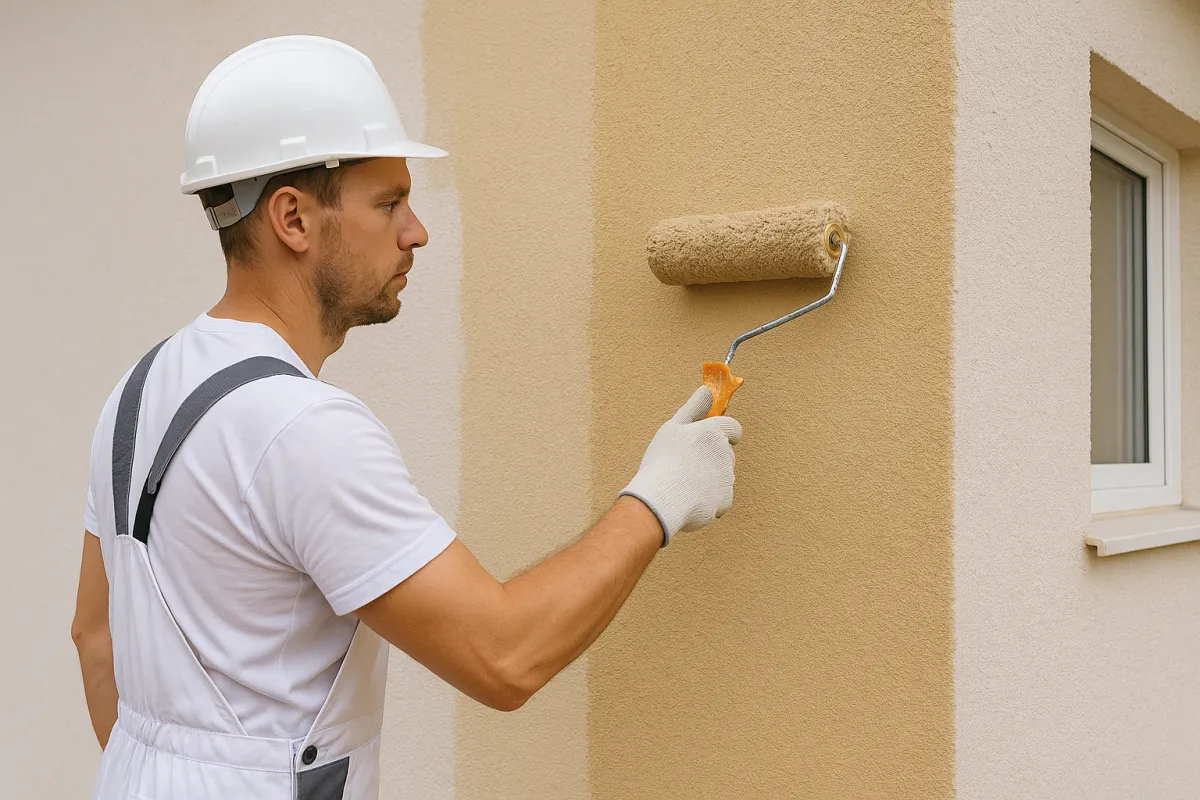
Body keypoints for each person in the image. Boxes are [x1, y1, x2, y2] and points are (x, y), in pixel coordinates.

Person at [70, 35, 741, 800]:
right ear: (292, 218)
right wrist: (658, 496)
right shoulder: (304, 429)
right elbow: (504, 656)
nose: (416, 230)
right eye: (389, 203)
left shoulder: (138, 388)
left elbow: (94, 637)